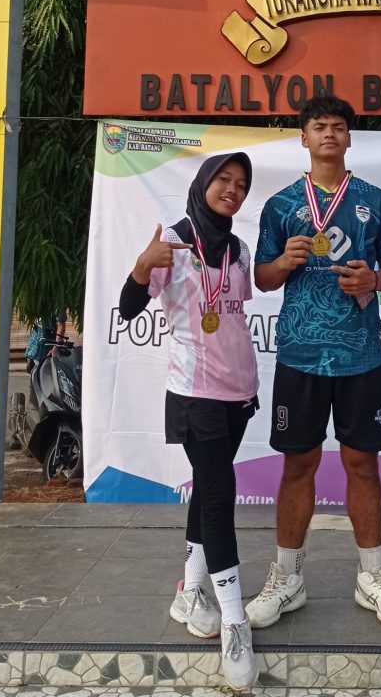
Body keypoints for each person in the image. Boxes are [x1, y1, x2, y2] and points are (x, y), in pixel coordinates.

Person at [245, 95, 381, 629]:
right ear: (304, 138)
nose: (329, 134)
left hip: (360, 354)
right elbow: (261, 278)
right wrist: (284, 261)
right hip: (300, 354)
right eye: (319, 126)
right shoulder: (281, 205)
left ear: (349, 138)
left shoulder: (375, 201)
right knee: (299, 465)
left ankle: (372, 576)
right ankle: (287, 578)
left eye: (338, 127)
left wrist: (374, 280)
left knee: (363, 464)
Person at [117, 153, 260, 689]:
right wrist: (141, 268)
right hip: (194, 393)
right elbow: (129, 308)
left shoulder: (239, 250)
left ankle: (190, 591)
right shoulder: (174, 245)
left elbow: (231, 317)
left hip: (239, 392)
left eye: (241, 184)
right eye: (224, 179)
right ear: (203, 184)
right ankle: (235, 623)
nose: (232, 190)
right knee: (220, 495)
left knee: (207, 489)